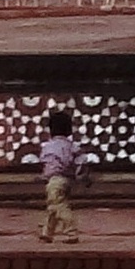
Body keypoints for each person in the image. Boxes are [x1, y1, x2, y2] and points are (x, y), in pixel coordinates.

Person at [36, 103, 85, 244]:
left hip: (55, 180)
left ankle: (71, 232)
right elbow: (81, 162)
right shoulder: (72, 146)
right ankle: (47, 233)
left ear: (50, 130)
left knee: (59, 206)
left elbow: (50, 166)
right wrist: (80, 176)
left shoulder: (48, 147)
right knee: (53, 207)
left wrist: (43, 176)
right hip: (67, 180)